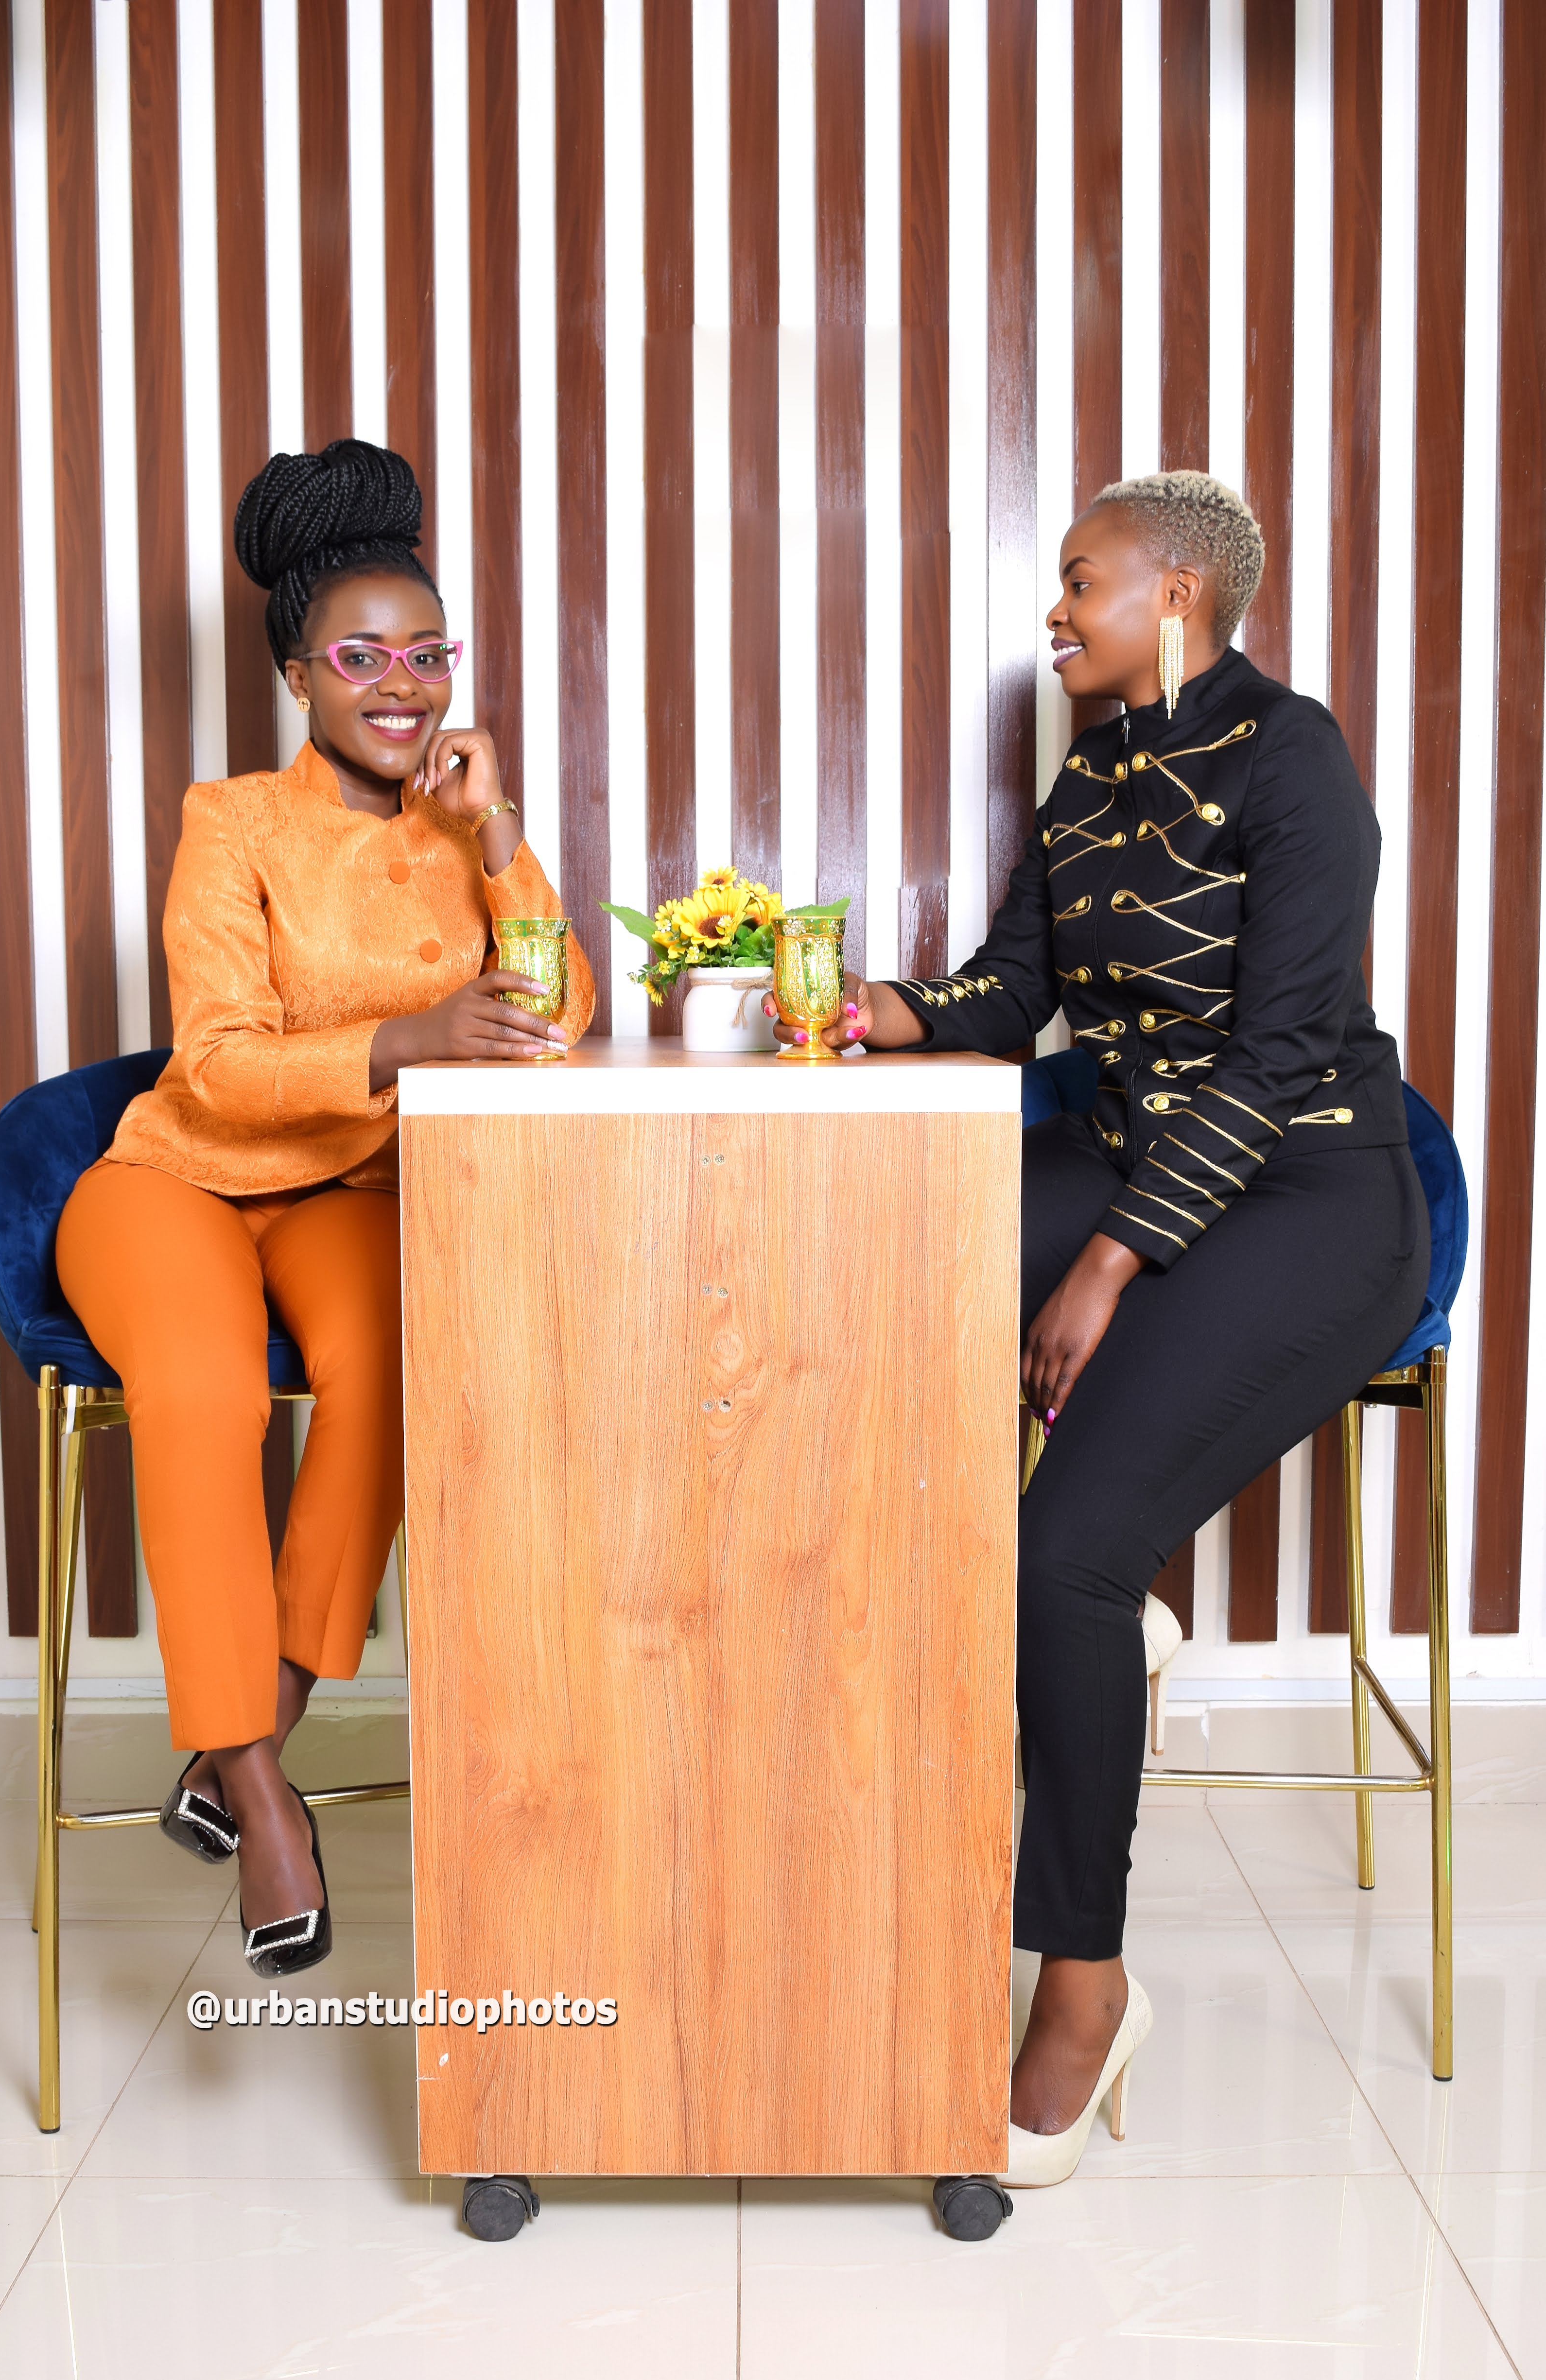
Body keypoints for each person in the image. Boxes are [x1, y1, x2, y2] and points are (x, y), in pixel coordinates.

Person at [768, 469, 1427, 2185]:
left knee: (1057, 1551)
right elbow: (1012, 992)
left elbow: (1279, 1056)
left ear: (1177, 596)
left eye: (1082, 581)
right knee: (862, 1296)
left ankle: (1081, 1984)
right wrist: (874, 1010)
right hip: (1139, 1154)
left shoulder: (1291, 758)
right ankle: (1077, 1640)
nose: (1054, 612)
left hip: (1308, 1189)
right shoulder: (1090, 777)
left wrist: (1108, 1262)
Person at [57, 439, 593, 1978]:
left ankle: (253, 1730)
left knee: (404, 1359)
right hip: (178, 1175)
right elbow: (217, 1064)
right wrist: (411, 1036)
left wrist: (501, 838)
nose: (401, 683)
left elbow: (559, 1013)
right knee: (208, 1387)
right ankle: (258, 1793)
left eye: (427, 652)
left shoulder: (463, 831)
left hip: (345, 1188)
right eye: (361, 655)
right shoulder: (230, 821)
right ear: (298, 673)